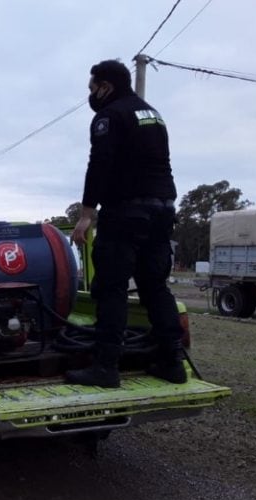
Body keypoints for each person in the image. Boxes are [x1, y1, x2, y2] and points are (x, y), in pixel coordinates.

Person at [66, 59, 186, 388]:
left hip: (127, 213)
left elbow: (99, 165)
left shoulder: (109, 116)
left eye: (92, 89)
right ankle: (172, 362)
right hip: (163, 211)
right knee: (155, 288)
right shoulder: (153, 114)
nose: (91, 96)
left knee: (111, 288)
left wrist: (87, 213)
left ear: (106, 87)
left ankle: (105, 367)